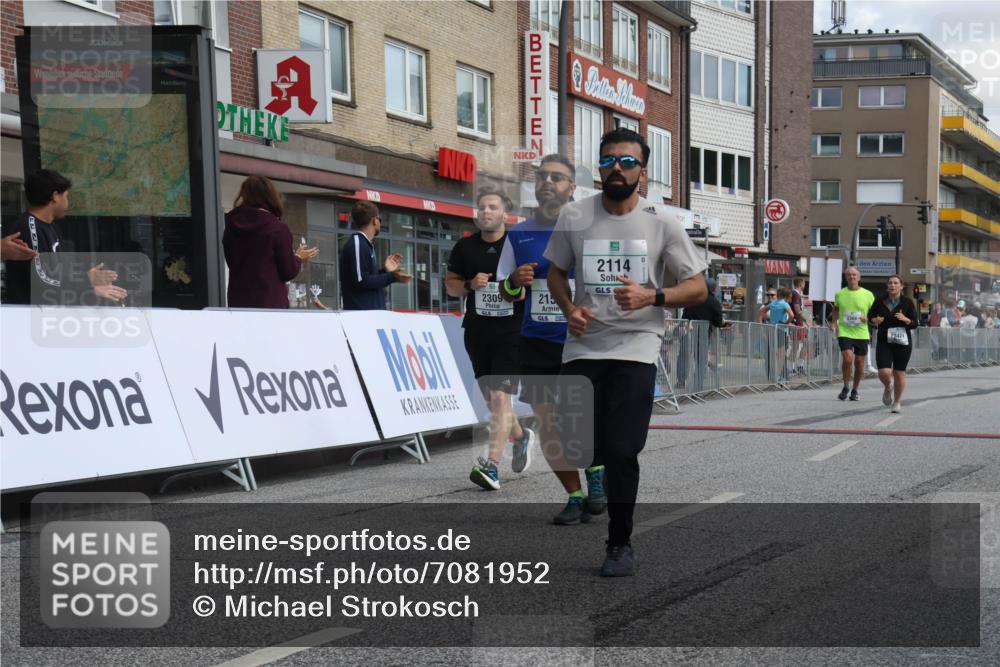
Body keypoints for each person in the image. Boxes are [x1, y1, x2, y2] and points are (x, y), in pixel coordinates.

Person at [545, 127, 708, 576]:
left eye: (627, 161)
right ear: (599, 168)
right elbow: (556, 273)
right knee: (576, 440)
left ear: (643, 171)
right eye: (608, 160)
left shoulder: (662, 223)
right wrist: (569, 309)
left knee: (622, 448)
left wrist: (652, 297)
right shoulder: (575, 215)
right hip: (584, 345)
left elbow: (697, 287)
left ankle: (619, 543)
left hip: (636, 346)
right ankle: (595, 470)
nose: (616, 168)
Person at [496, 153, 599, 524]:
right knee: (549, 423)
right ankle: (574, 496)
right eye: (542, 176)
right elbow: (504, 289)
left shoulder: (589, 228)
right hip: (536, 340)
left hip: (582, 340)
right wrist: (514, 282)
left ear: (572, 188)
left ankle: (596, 473)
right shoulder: (518, 234)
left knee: (581, 418)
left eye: (557, 177)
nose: (548, 183)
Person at [446, 187, 535, 491]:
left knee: (500, 398)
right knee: (492, 399)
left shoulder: (516, 246)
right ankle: (520, 436)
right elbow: (451, 286)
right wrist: (469, 284)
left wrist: (512, 287)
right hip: (477, 331)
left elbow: (526, 287)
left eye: (493, 207)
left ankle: (492, 466)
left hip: (511, 332)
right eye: (482, 207)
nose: (486, 212)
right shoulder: (464, 247)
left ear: (505, 214)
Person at [1, 169, 127, 305]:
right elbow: (42, 280)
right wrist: (87, 282)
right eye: (66, 196)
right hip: (29, 314)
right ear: (55, 196)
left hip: (50, 311)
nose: (67, 202)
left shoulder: (50, 226)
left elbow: (58, 274)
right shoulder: (29, 228)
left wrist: (89, 280)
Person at [223, 175, 317, 309]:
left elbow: (231, 261)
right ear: (271, 196)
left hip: (239, 303)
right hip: (270, 305)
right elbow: (288, 271)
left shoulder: (232, 226)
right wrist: (298, 257)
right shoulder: (277, 228)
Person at [339, 201, 411, 310]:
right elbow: (361, 280)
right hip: (362, 314)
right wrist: (393, 277)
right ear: (375, 220)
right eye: (379, 219)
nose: (380, 223)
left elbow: (366, 279)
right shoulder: (358, 243)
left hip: (369, 314)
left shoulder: (363, 244)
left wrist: (385, 271)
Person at [868, 275, 919, 414]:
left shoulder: (908, 302)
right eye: (890, 283)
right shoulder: (880, 300)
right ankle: (888, 386)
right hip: (884, 340)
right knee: (884, 371)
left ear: (901, 286)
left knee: (899, 372)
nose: (892, 285)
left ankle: (896, 402)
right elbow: (870, 316)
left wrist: (906, 319)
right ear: (887, 286)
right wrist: (875, 320)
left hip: (902, 341)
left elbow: (915, 323)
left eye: (896, 283)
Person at [831, 266, 875, 401]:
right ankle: (845, 385)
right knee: (848, 359)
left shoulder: (868, 294)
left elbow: (875, 313)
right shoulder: (840, 293)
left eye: (854, 275)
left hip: (861, 332)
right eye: (849, 275)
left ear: (859, 277)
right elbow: (836, 309)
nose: (852, 277)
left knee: (860, 363)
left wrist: (867, 318)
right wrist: (834, 323)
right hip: (845, 331)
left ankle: (855, 389)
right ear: (845, 277)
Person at [678, 276, 723, 392]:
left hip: (688, 333)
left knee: (683, 357)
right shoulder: (714, 302)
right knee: (700, 362)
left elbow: (684, 316)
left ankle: (681, 381)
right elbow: (718, 322)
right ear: (714, 289)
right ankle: (697, 389)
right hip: (702, 336)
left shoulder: (693, 299)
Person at [769, 287, 796, 382]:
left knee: (775, 354)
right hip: (781, 330)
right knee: (781, 355)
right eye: (790, 296)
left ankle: (775, 375)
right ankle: (777, 376)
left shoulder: (773, 303)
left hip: (772, 329)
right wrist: (787, 322)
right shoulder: (784, 304)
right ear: (787, 296)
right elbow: (792, 315)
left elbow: (761, 312)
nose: (791, 298)